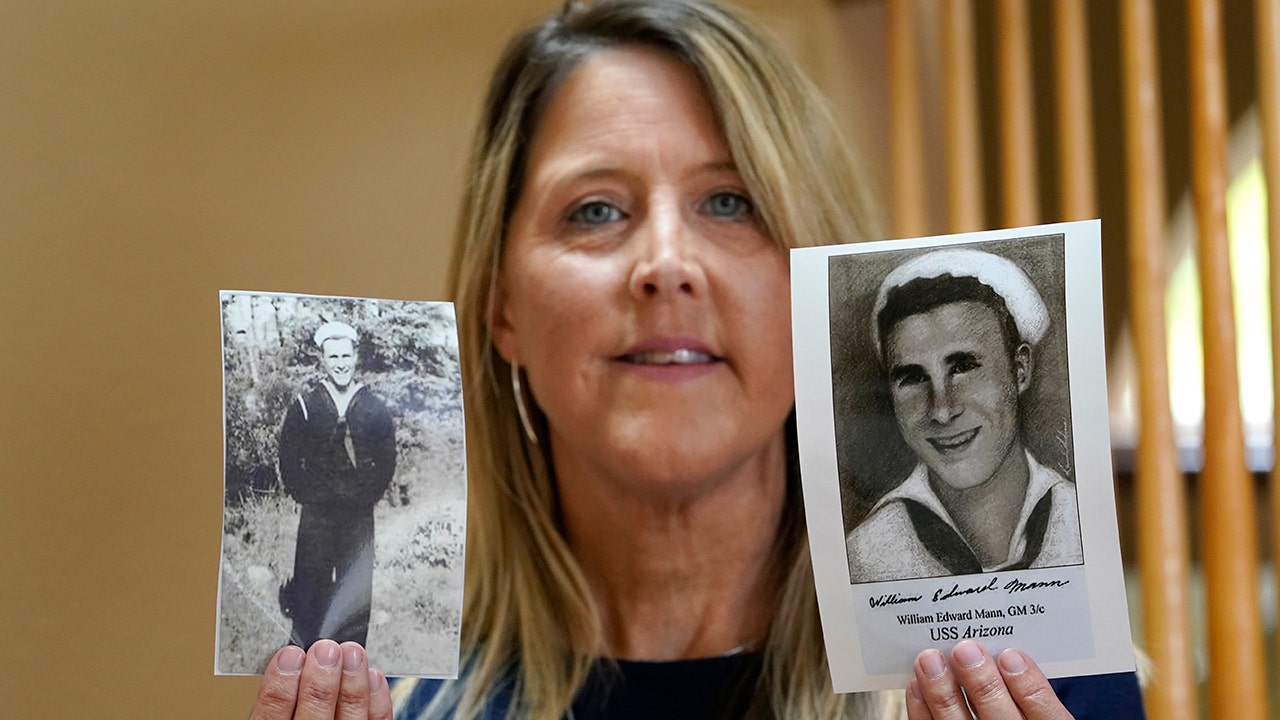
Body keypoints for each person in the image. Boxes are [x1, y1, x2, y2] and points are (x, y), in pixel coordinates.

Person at [248, 1, 1144, 719]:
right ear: (503, 308)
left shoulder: (1029, 672)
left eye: (730, 201)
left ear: (817, 292)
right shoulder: (373, 693)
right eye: (596, 210)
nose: (666, 264)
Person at [845, 249, 1085, 584]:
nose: (942, 411)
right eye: (913, 378)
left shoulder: (1083, 523)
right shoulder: (864, 557)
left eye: (963, 367)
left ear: (1020, 369)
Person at [277, 320, 397, 648]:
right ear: (323, 360)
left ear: (355, 357)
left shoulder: (374, 408)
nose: (340, 363)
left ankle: (350, 660)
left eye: (346, 356)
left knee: (354, 593)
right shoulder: (305, 406)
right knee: (309, 590)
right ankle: (301, 658)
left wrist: (366, 496)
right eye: (333, 357)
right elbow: (288, 458)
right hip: (317, 518)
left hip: (358, 519)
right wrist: (307, 494)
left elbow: (387, 460)